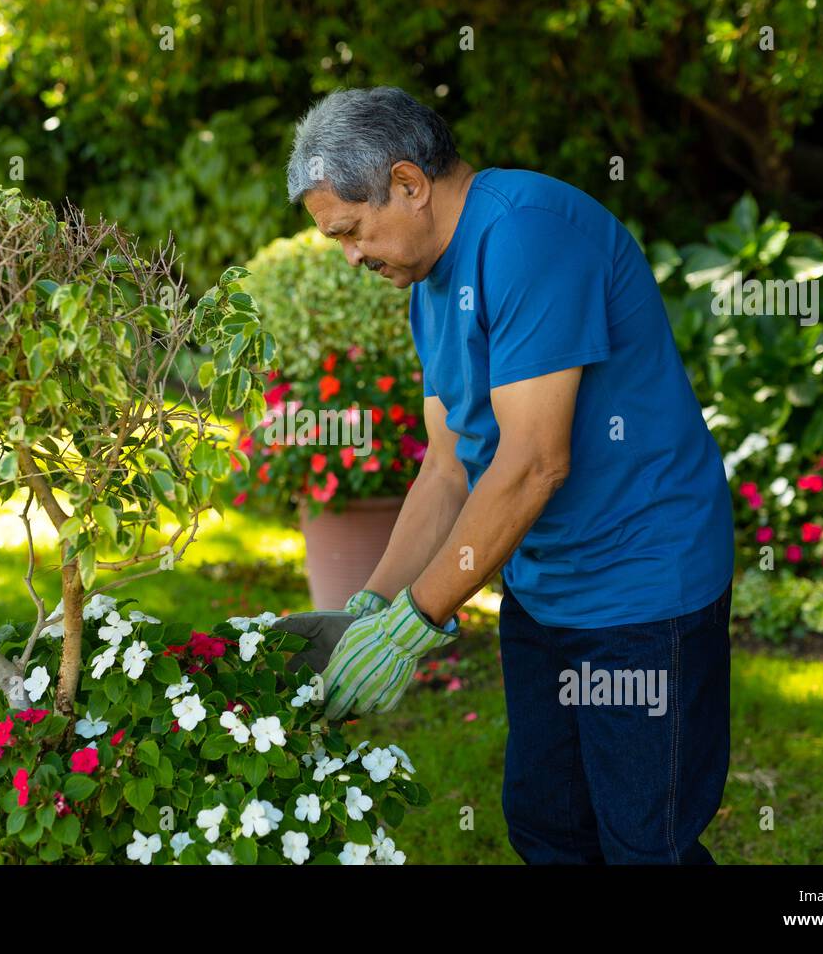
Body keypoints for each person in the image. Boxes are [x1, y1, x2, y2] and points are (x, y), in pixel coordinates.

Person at [272, 86, 734, 865]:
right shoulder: (429, 282)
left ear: (410, 183)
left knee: (644, 840)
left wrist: (415, 627)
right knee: (547, 823)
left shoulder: (527, 234)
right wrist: (370, 608)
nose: (350, 256)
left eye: (351, 231)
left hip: (642, 587)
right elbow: (448, 470)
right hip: (545, 587)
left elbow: (532, 463)